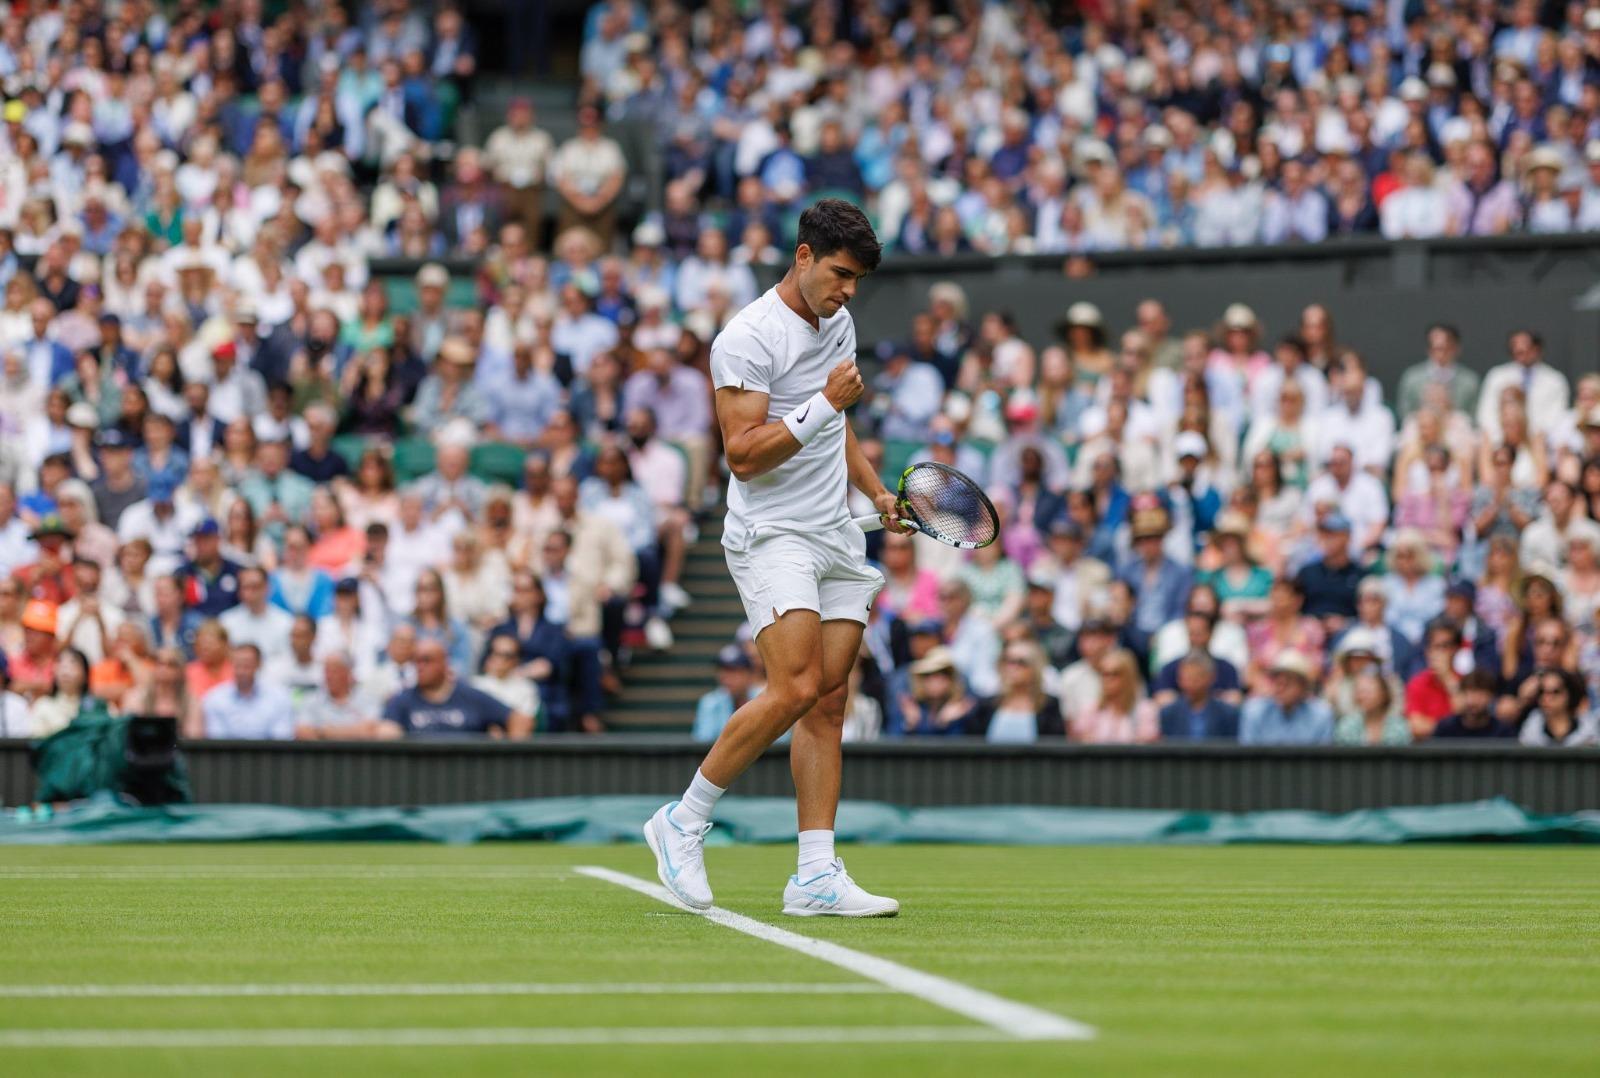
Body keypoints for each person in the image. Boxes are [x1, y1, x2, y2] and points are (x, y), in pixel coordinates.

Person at [643, 199, 905, 917]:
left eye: (856, 280)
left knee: (827, 702)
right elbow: (743, 456)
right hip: (771, 535)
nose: (848, 291)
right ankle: (683, 820)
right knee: (792, 687)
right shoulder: (747, 337)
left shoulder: (840, 323)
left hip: (836, 532)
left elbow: (836, 430)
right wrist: (822, 402)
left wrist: (878, 494)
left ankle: (815, 876)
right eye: (840, 274)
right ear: (802, 257)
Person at [379, 639, 533, 738]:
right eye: (416, 661)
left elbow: (521, 720)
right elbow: (386, 733)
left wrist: (507, 756)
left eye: (426, 660)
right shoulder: (402, 701)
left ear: (444, 664)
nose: (419, 667)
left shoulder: (470, 697)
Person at [970, 641, 1065, 743]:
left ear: (1034, 667)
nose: (1012, 668)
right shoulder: (986, 705)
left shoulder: (1049, 706)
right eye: (1007, 661)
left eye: (1021, 662)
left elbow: (1055, 746)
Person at [201, 643, 294, 740]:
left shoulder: (280, 698)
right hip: (227, 754)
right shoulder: (215, 698)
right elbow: (216, 743)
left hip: (270, 754)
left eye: (246, 665)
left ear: (259, 665)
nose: (241, 671)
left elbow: (282, 741)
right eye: (237, 665)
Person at [1239, 650, 1334, 745]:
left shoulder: (1320, 715)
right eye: (1277, 682)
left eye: (1287, 683)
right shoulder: (1255, 712)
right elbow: (1248, 756)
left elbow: (1322, 757)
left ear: (1303, 687)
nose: (1280, 688)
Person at [1071, 647, 1158, 744]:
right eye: (1103, 674)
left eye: (1115, 674)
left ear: (1128, 677)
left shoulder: (1144, 710)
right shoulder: (1090, 711)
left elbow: (1146, 744)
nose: (1107, 680)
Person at [892, 645, 982, 738]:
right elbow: (891, 742)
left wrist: (946, 722)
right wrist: (910, 724)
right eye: (928, 675)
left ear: (951, 680)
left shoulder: (963, 709)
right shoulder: (912, 706)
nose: (936, 681)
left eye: (943, 674)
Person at [1158, 650, 1241, 740]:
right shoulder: (1169, 713)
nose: (1189, 684)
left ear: (1211, 677)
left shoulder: (1228, 714)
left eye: (1195, 679)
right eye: (1185, 679)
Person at [692, 643, 764, 742]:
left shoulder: (764, 700)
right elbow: (703, 742)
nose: (725, 677)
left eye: (733, 670)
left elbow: (780, 741)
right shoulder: (709, 702)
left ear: (750, 674)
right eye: (722, 670)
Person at [1518, 668, 1598, 746]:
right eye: (1542, 692)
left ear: (1569, 694)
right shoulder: (1532, 726)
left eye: (1555, 692)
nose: (1546, 698)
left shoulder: (1587, 728)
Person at [1432, 668, 1518, 739]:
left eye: (1481, 694)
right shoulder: (1446, 729)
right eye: (1470, 693)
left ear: (1491, 697)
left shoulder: (1502, 733)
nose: (1474, 700)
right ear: (1462, 695)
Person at [1334, 670, 1411, 745]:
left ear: (1383, 694)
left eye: (1368, 692)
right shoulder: (1347, 726)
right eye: (1360, 692)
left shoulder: (1398, 726)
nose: (1363, 696)